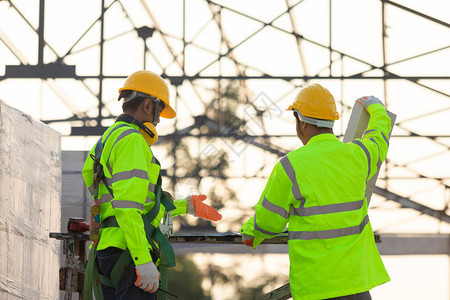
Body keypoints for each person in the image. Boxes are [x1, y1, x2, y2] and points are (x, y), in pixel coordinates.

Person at [240, 84, 391, 300]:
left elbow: (268, 223)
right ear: (331, 121)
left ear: (300, 121)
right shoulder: (358, 156)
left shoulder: (290, 166)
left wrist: (250, 233)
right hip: (357, 287)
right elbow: (379, 138)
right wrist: (377, 110)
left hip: (316, 289)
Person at [82, 70, 222, 299]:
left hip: (108, 249)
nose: (157, 121)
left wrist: (184, 206)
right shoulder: (133, 141)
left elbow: (116, 198)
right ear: (148, 105)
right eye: (158, 113)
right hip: (128, 251)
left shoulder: (107, 140)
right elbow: (127, 207)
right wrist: (142, 259)